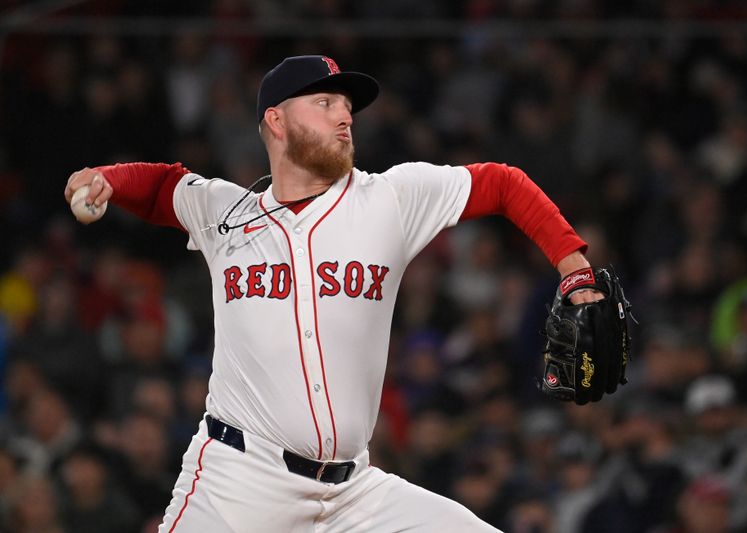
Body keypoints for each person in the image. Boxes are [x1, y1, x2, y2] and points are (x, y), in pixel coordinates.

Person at [64, 55, 603, 533]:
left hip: (355, 494)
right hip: (239, 485)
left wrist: (574, 266)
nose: (345, 116)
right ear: (275, 120)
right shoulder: (226, 214)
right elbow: (162, 187)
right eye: (324, 102)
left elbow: (503, 184)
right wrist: (106, 176)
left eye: (347, 106)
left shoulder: (389, 200)